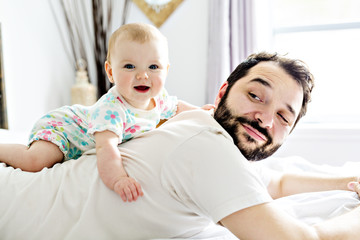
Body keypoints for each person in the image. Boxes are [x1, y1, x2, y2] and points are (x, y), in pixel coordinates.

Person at [1, 51, 360, 240]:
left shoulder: (213, 136)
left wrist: (349, 181)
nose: (265, 120)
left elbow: (276, 183)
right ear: (222, 92)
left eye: (284, 117)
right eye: (256, 95)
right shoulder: (206, 147)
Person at [0, 23, 212, 202]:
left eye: (153, 67)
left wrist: (202, 113)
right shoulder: (111, 109)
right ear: (111, 72)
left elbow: (177, 108)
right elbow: (106, 148)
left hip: (76, 122)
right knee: (36, 161)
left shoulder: (158, 98)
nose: (143, 75)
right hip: (65, 128)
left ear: (166, 70)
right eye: (129, 66)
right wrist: (118, 178)